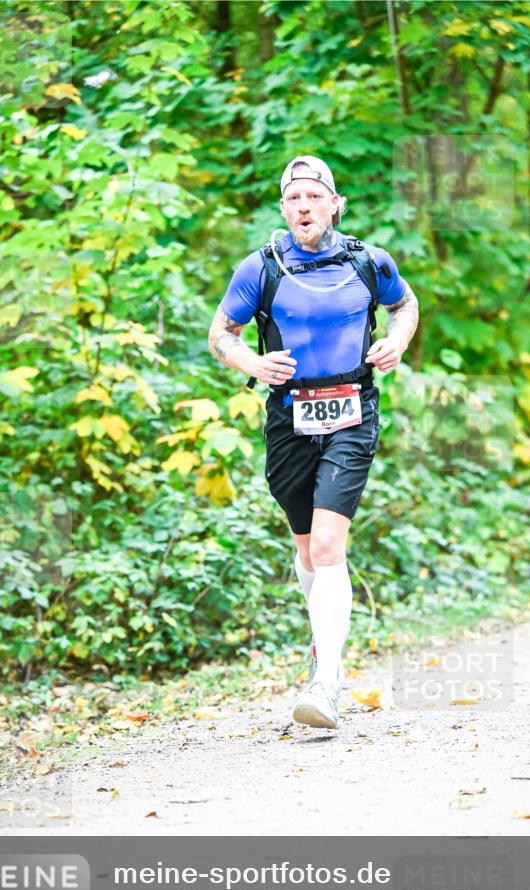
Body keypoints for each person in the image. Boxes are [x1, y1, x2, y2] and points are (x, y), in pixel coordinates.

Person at [208, 155, 419, 730]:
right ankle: (324, 648)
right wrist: (252, 362)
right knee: (306, 549)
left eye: (314, 196)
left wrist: (397, 341)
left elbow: (404, 305)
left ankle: (326, 684)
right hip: (288, 417)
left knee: (328, 545)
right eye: (294, 198)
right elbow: (221, 333)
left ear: (334, 204)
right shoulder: (261, 268)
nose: (304, 206)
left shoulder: (369, 261)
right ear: (284, 209)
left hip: (353, 411)